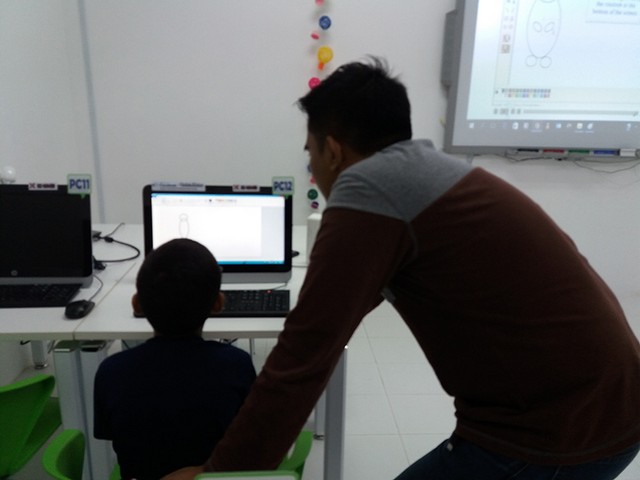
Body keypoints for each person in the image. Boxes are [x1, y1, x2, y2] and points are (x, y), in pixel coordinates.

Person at [163, 57, 640, 479]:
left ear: (333, 151)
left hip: (561, 429)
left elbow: (303, 354)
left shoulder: (369, 189)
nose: (314, 169)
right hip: (603, 402)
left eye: (311, 154)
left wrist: (220, 474)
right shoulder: (423, 173)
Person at [94, 238, 256, 480]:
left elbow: (109, 434)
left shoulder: (111, 371)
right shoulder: (237, 365)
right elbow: (251, 436)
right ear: (218, 303)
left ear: (137, 305)